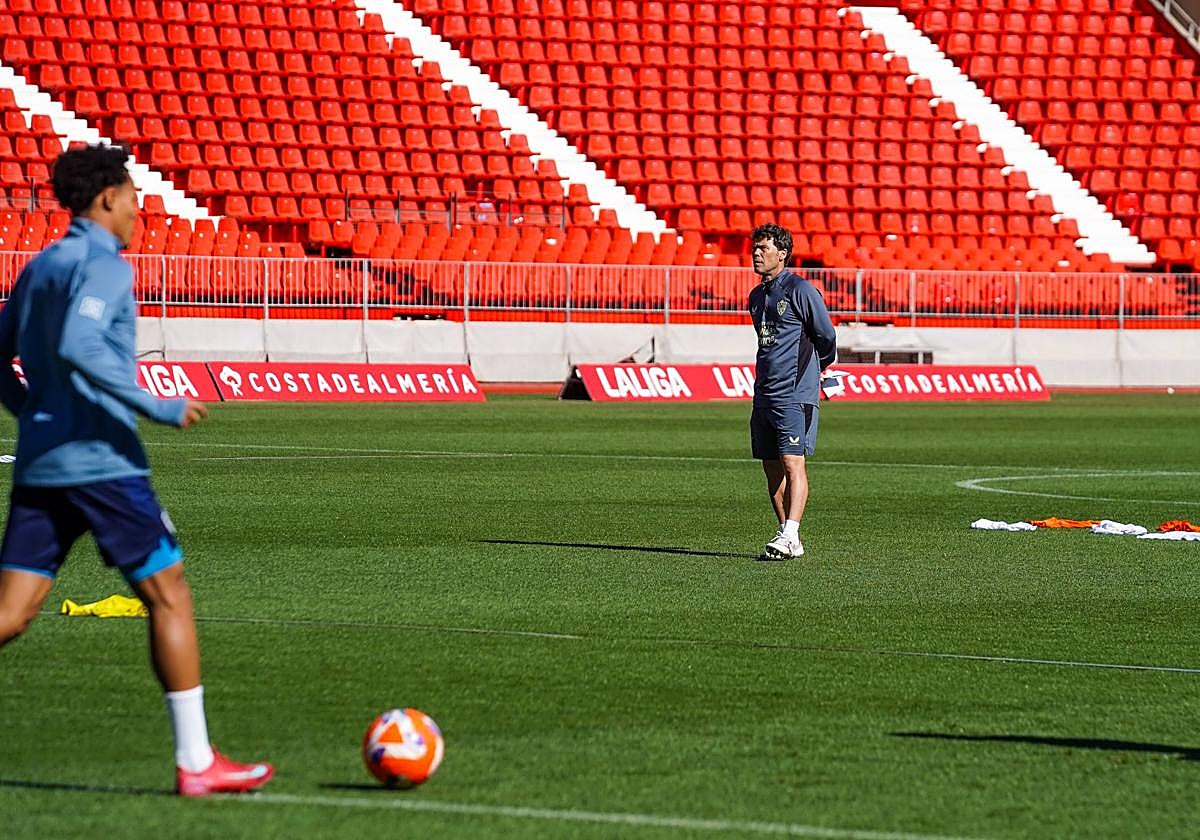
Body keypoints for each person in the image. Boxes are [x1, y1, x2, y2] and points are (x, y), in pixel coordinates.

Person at [0, 143, 273, 796]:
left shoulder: (40, 267)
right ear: (106, 200)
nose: (139, 210)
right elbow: (80, 343)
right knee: (169, 592)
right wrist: (157, 404)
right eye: (132, 198)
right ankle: (196, 761)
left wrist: (29, 410)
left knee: (11, 614)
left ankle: (199, 760)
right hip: (103, 462)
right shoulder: (106, 268)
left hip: (43, 462)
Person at [747, 223, 837, 560]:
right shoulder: (756, 296)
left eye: (764, 249)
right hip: (764, 394)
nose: (757, 254)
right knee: (770, 468)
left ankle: (792, 532)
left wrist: (814, 373)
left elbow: (826, 337)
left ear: (782, 254)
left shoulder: (801, 290)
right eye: (755, 249)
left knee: (791, 462)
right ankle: (787, 536)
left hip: (794, 393)